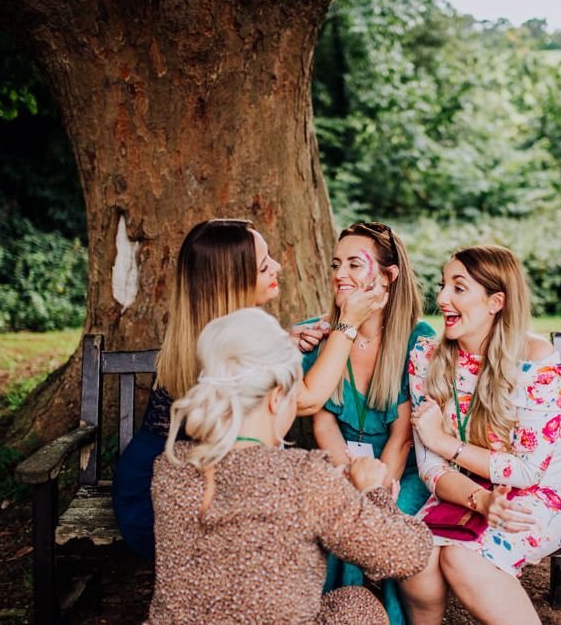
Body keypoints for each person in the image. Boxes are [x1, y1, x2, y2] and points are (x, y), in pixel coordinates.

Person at [113, 218, 381, 561]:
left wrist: (284, 344)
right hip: (165, 504)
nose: (278, 267)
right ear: (233, 281)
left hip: (175, 481)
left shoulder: (209, 328)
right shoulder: (231, 346)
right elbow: (308, 400)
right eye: (265, 264)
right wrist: (349, 323)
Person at [148, 308, 433, 624]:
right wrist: (374, 491)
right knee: (358, 605)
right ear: (277, 397)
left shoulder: (169, 468)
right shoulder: (304, 476)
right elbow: (408, 553)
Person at [400, 244, 561, 625]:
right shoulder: (426, 356)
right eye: (442, 285)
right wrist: (480, 500)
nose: (441, 298)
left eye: (458, 288)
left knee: (463, 559)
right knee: (414, 555)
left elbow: (527, 471)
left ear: (495, 301)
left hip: (547, 488)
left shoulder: (535, 361)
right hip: (470, 485)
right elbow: (431, 469)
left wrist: (445, 442)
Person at [301, 221, 436, 625]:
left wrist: (374, 487)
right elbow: (322, 422)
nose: (340, 274)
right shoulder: (323, 334)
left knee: (384, 520)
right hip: (337, 461)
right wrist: (347, 473)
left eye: (355, 265)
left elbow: (402, 437)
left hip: (400, 469)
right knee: (336, 519)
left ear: (389, 277)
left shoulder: (417, 339)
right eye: (336, 264)